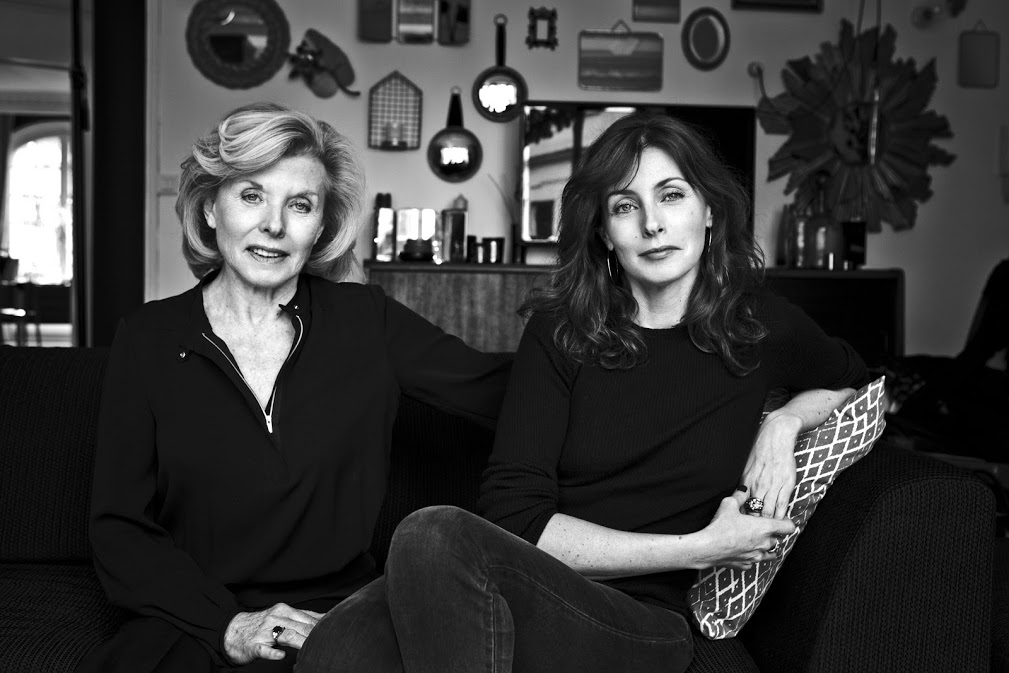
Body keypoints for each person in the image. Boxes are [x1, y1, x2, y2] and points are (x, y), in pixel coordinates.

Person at [296, 112, 868, 672]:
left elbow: (859, 382)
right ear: (603, 232)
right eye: (625, 206)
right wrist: (701, 547)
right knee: (334, 650)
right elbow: (516, 517)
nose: (652, 224)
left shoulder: (761, 326)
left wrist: (785, 423)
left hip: (644, 621)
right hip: (536, 585)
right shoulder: (563, 332)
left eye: (671, 196)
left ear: (710, 210)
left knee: (431, 533)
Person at [79, 102, 509, 673]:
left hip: (337, 614)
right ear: (209, 207)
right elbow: (119, 527)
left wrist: (608, 338)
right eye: (251, 196)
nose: (275, 225)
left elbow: (506, 393)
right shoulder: (147, 338)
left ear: (321, 225)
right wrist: (228, 624)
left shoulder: (367, 320)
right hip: (194, 617)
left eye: (300, 204)